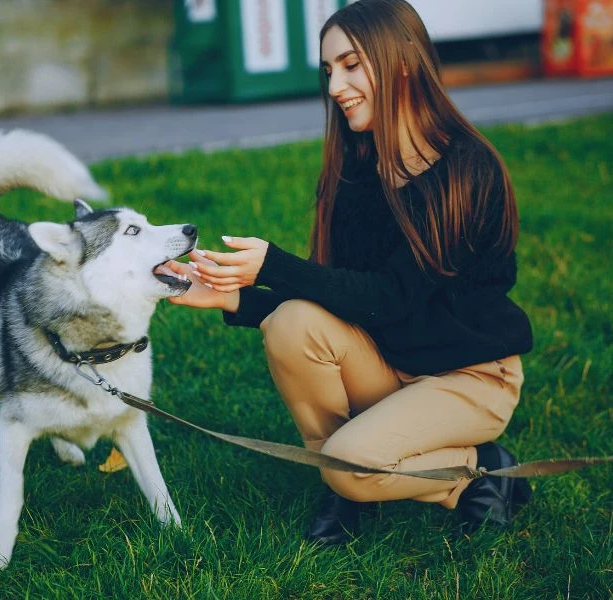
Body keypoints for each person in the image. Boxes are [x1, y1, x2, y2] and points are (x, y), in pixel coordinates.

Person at [166, 0, 534, 543]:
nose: (336, 85)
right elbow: (344, 300)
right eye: (328, 70)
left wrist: (274, 264)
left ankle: (477, 466)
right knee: (293, 324)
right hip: (392, 362)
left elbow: (392, 297)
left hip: (469, 377)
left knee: (348, 462)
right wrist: (235, 299)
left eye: (351, 64)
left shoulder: (465, 169)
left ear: (402, 61)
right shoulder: (356, 172)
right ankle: (356, 483)